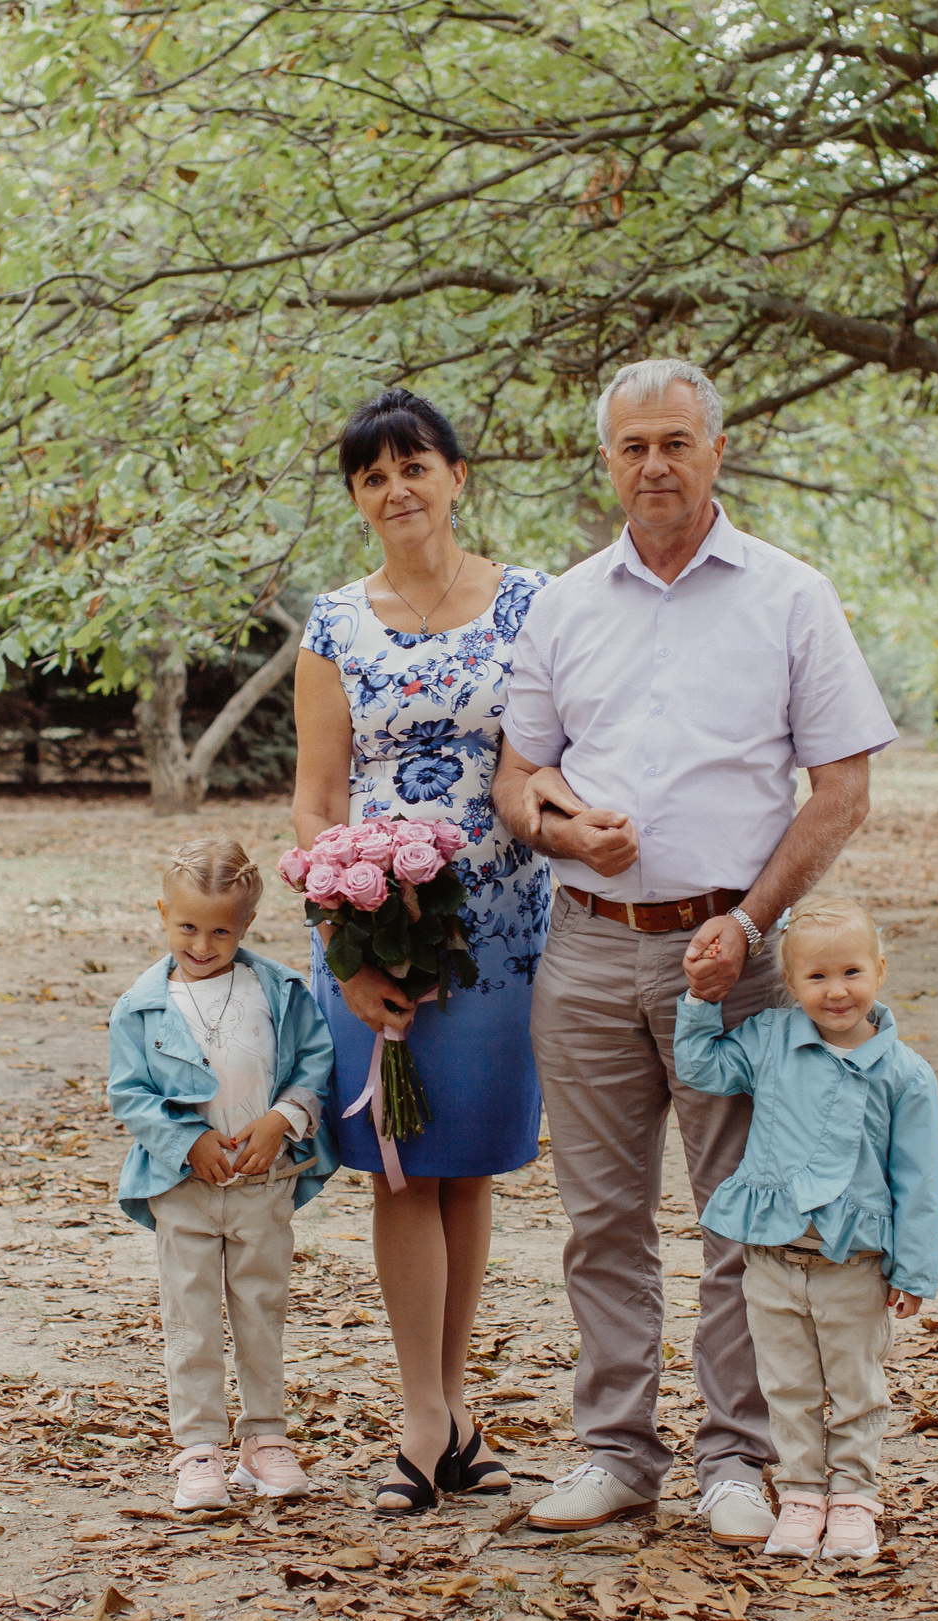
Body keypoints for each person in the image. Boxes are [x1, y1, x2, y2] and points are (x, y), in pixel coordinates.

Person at [493, 356, 898, 1545]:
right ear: (607, 461)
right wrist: (564, 828)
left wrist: (751, 922)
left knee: (741, 1214)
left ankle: (734, 1457)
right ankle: (616, 1453)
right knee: (601, 1219)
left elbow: (842, 789)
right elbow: (518, 778)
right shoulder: (564, 604)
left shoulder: (788, 595)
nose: (654, 466)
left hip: (735, 958)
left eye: (676, 442)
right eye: (633, 447)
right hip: (584, 955)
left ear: (716, 449)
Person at [292, 388, 549, 1514]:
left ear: (457, 476)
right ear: (358, 500)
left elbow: (545, 762)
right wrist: (346, 940)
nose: (396, 489)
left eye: (414, 466)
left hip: (500, 931)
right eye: (371, 476)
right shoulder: (335, 625)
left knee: (466, 1166)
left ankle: (453, 1413)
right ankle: (420, 1418)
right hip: (372, 928)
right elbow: (313, 797)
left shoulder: (533, 605)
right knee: (401, 1166)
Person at [674, 896, 938, 1559]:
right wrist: (700, 999)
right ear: (791, 984)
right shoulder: (770, 1039)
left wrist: (912, 1269)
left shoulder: (905, 1074)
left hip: (854, 1261)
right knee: (787, 1385)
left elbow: (918, 1179)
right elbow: (703, 1066)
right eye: (817, 976)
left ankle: (853, 1496)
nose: (836, 990)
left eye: (851, 971)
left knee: (855, 1386)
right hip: (773, 1256)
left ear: (879, 969)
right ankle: (799, 1492)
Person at [109, 837, 338, 1512]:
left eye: (220, 930)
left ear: (246, 926)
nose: (203, 944)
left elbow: (314, 1061)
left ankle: (265, 1436)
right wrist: (188, 1141)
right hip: (183, 1188)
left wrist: (282, 1120)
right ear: (161, 913)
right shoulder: (142, 1006)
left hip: (261, 1184)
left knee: (261, 1308)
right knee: (191, 1316)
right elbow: (131, 1093)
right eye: (187, 926)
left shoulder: (278, 992)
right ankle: (199, 1447)